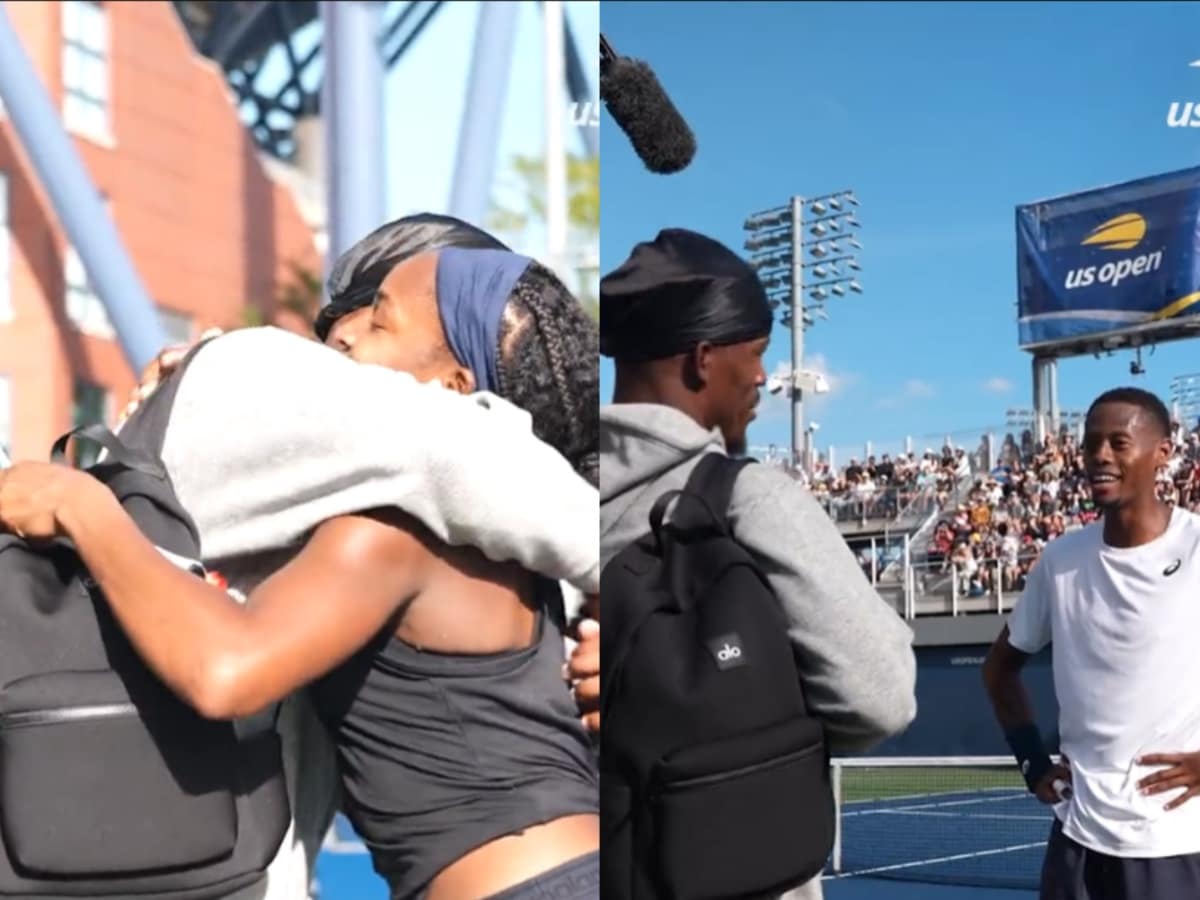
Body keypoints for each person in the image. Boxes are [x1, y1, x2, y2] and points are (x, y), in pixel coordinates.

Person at [0, 252, 602, 899]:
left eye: (380, 321)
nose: (342, 331)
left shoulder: (391, 533)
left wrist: (83, 508)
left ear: (454, 390)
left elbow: (226, 671)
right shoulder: (504, 541)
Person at [598, 227, 917, 900]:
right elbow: (881, 696)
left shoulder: (554, 495)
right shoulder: (747, 498)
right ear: (703, 359)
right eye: (758, 352)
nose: (766, 376)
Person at [982, 386, 1200, 900]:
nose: (1099, 456)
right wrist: (1032, 761)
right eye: (1090, 444)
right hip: (1078, 840)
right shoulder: (1060, 560)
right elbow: (998, 669)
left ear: (1163, 453)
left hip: (1176, 844)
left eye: (1119, 443)